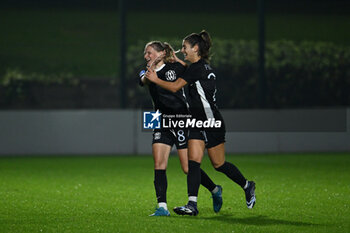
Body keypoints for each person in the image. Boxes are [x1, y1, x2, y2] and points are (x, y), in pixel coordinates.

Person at [145, 31, 256, 216]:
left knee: (219, 164)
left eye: (185, 47)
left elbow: (174, 86)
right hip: (196, 121)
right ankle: (192, 205)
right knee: (193, 163)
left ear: (195, 48)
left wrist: (156, 79)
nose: (182, 51)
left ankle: (247, 185)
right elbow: (183, 67)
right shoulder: (197, 67)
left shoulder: (198, 69)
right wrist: (173, 60)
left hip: (211, 120)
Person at [140, 41, 223, 216]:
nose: (146, 56)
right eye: (145, 53)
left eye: (149, 52)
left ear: (161, 52)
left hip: (182, 119)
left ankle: (215, 189)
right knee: (159, 164)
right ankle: (162, 207)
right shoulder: (147, 71)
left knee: (187, 167)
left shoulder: (176, 67)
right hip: (159, 120)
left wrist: (177, 61)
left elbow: (192, 72)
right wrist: (152, 66)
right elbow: (144, 80)